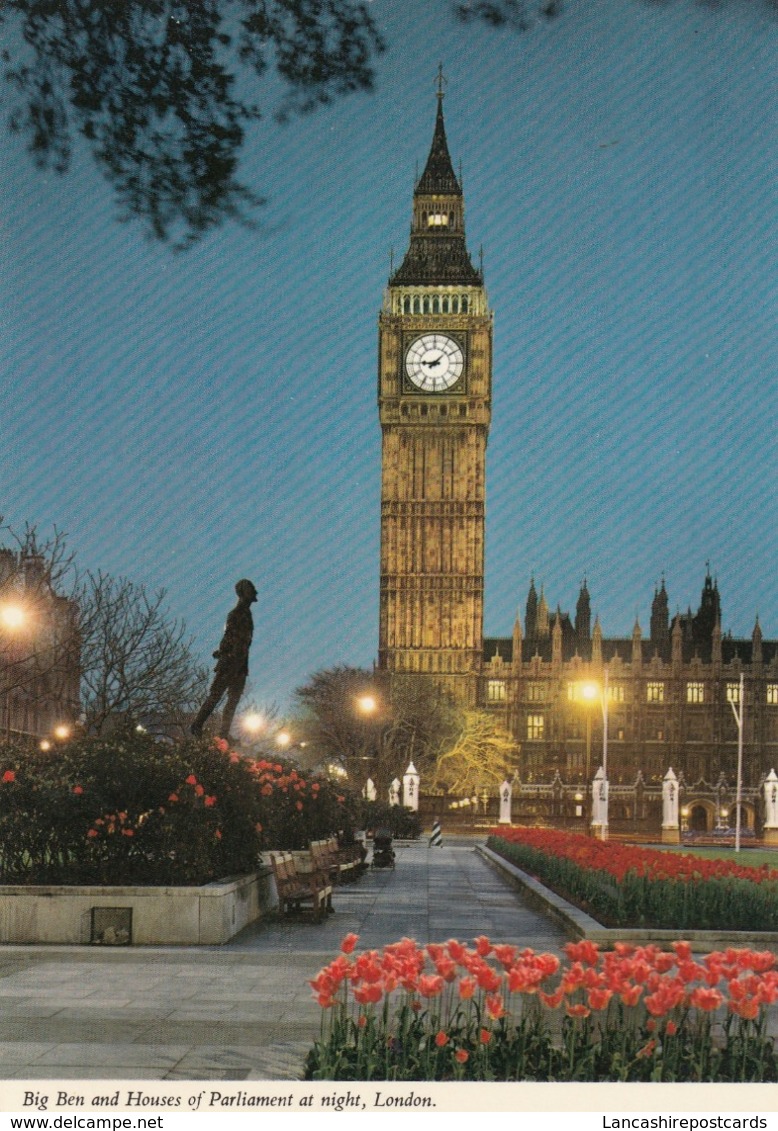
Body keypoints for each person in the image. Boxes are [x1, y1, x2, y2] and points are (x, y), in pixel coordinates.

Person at [190, 579, 257, 740]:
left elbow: (240, 640)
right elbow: (229, 637)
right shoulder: (235, 614)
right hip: (230, 663)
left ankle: (223, 735)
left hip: (240, 664)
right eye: (251, 589)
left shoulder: (247, 614)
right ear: (242, 593)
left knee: (233, 700)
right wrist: (223, 653)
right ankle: (197, 726)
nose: (255, 592)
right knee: (216, 696)